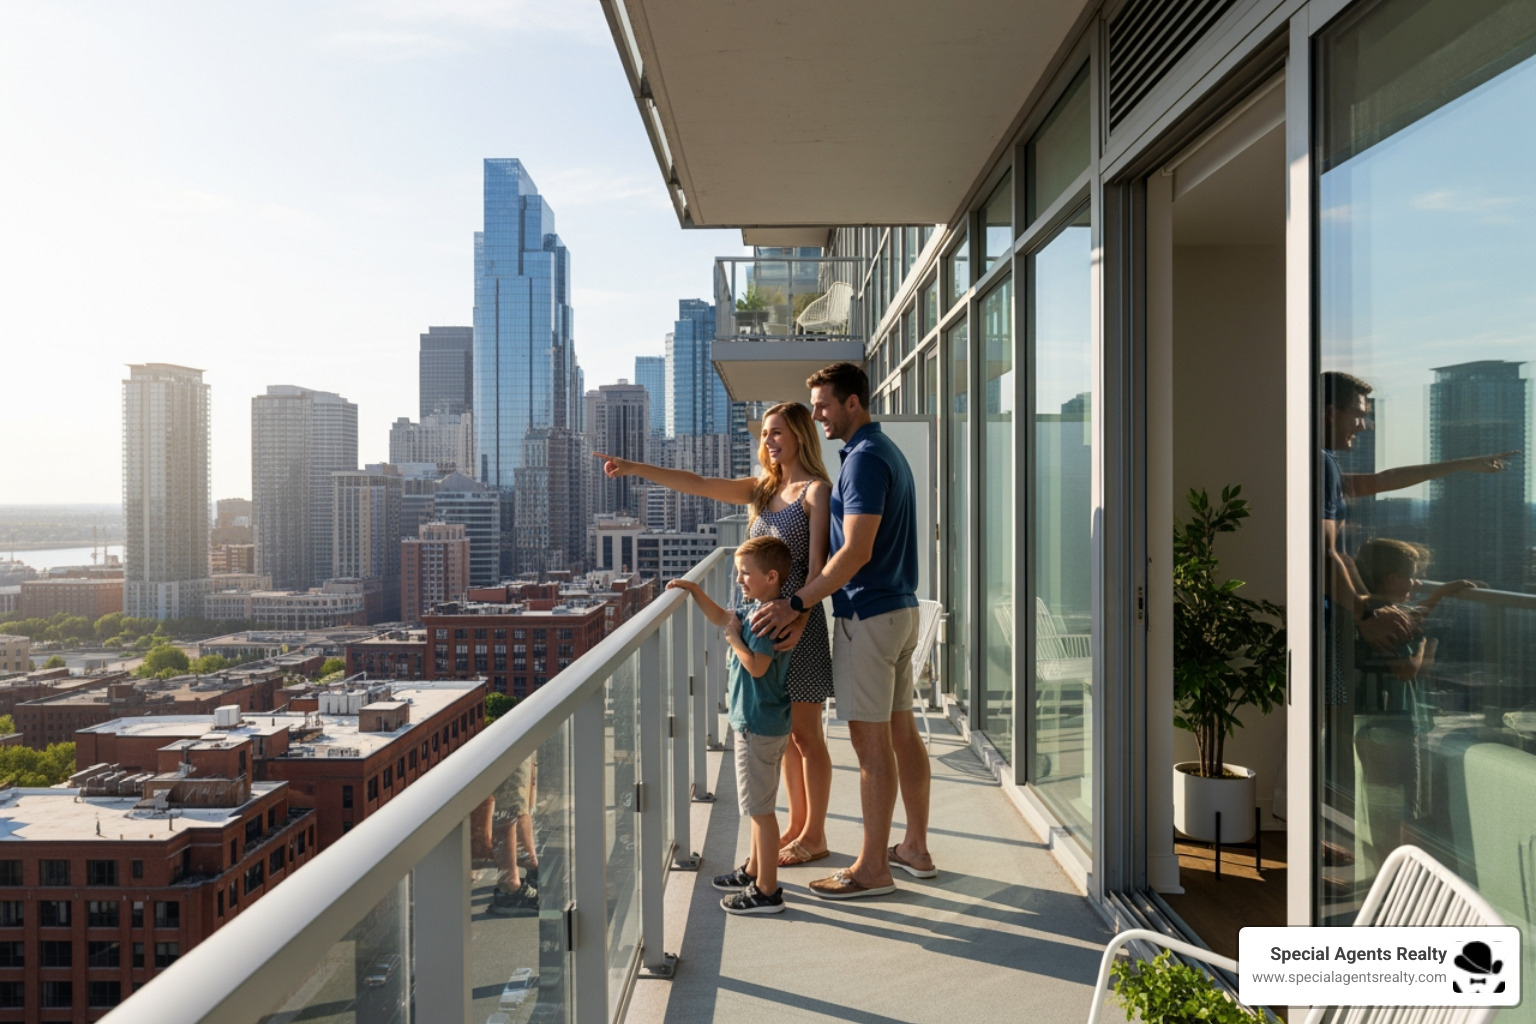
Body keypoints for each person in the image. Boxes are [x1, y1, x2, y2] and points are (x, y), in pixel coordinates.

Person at [597, 402, 836, 867]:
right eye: (765, 434)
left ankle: (816, 834)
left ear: (802, 435)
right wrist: (632, 468)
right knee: (782, 736)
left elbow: (818, 566)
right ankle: (794, 826)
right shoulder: (762, 490)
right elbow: (699, 484)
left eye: (778, 433)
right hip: (757, 626)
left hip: (796, 628)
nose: (769, 441)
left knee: (807, 736)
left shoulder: (815, 492)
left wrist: (801, 617)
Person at [754, 361, 933, 900]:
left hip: (868, 617)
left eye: (825, 405)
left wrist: (796, 601)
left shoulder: (864, 461)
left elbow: (854, 552)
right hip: (899, 611)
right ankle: (915, 849)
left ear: (853, 402)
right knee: (902, 735)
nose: (818, 415)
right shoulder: (884, 453)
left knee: (869, 744)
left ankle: (872, 868)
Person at [668, 535, 797, 915]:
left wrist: (732, 641)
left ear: (770, 576)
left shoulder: (764, 618)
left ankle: (768, 891)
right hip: (765, 722)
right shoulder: (759, 609)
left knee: (761, 811)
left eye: (745, 574)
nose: (739, 580)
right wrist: (693, 590)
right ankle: (756, 870)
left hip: (757, 725)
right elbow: (724, 617)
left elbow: (756, 665)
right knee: (761, 805)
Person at [1352, 538, 1477, 683]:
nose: (1417, 582)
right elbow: (1407, 671)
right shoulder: (1386, 618)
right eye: (1412, 576)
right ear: (1391, 579)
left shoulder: (1365, 610)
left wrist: (1439, 594)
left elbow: (1412, 617)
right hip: (1386, 700)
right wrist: (1424, 646)